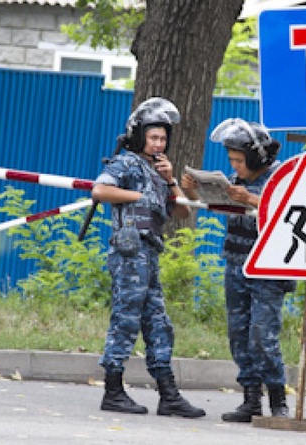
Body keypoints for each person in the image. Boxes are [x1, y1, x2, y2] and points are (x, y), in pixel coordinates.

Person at [92, 97, 205, 418]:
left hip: (150, 253)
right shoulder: (127, 163)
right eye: (153, 137)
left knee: (158, 323)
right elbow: (100, 191)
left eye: (163, 138)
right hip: (130, 252)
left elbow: (183, 211)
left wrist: (170, 180)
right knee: (126, 319)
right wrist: (138, 195)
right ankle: (112, 390)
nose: (159, 143)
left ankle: (168, 395)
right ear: (140, 135)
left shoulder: (158, 172)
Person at [181, 118, 294, 422]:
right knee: (239, 334)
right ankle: (250, 400)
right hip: (235, 264)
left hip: (268, 269)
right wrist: (193, 191)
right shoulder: (236, 181)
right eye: (231, 160)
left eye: (239, 161)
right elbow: (214, 206)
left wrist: (254, 199)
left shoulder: (281, 181)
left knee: (262, 334)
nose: (235, 166)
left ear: (257, 157)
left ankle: (278, 401)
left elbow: (291, 213)